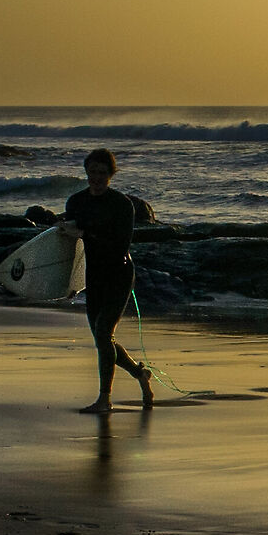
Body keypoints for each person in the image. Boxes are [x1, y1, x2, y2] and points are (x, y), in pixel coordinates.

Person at [61, 148, 153, 414]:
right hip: (94, 276)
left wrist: (83, 233)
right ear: (86, 172)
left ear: (111, 174)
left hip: (119, 273)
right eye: (93, 172)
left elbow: (120, 245)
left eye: (103, 173)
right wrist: (69, 284)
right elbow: (71, 248)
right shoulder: (76, 202)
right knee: (104, 339)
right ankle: (139, 374)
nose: (97, 178)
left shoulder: (122, 205)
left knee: (103, 334)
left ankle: (104, 399)